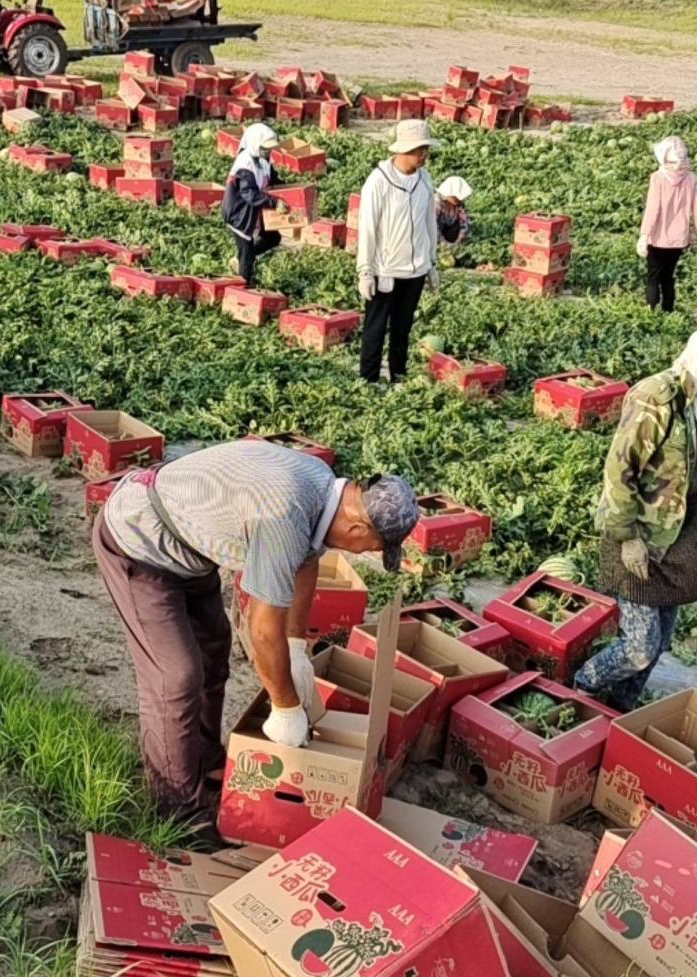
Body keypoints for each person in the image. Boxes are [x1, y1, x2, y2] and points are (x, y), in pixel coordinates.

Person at [92, 440, 419, 824]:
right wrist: (285, 708)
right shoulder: (284, 514)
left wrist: (297, 647)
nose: (364, 553)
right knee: (176, 676)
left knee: (214, 648)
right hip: (141, 544)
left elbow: (306, 562)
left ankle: (203, 759)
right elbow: (263, 632)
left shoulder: (324, 486)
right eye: (372, 547)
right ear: (358, 525)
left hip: (191, 547)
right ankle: (176, 810)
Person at [574, 327, 697, 711]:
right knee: (640, 647)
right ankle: (581, 687)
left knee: (659, 641)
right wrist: (628, 538)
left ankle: (619, 707)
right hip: (640, 537)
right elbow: (620, 469)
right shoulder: (655, 399)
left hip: (674, 539)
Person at [357, 119, 440, 384]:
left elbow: (429, 222)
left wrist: (431, 263)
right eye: (419, 150)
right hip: (386, 270)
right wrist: (365, 270)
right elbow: (367, 228)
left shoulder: (425, 180)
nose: (424, 155)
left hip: (415, 269)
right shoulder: (379, 181)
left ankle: (398, 377)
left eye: (426, 149)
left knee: (403, 328)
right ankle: (367, 381)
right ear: (403, 150)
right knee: (376, 329)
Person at [637, 136, 697, 313]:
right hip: (679, 239)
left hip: (657, 238)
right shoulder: (692, 179)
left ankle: (650, 311)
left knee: (653, 276)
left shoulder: (657, 178)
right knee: (668, 276)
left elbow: (653, 209)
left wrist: (644, 235)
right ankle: (668, 310)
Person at [222, 123, 282, 285]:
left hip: (253, 212)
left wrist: (289, 190)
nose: (268, 151)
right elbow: (249, 194)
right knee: (246, 254)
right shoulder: (245, 165)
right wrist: (274, 202)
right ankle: (243, 286)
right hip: (239, 214)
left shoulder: (263, 160)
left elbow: (273, 178)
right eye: (265, 147)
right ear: (256, 144)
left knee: (273, 237)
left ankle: (241, 259)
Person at [435, 176, 473, 245]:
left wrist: (459, 240)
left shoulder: (459, 204)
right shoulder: (436, 204)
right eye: (455, 197)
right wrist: (445, 244)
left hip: (448, 231)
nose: (458, 199)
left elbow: (465, 223)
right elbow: (432, 228)